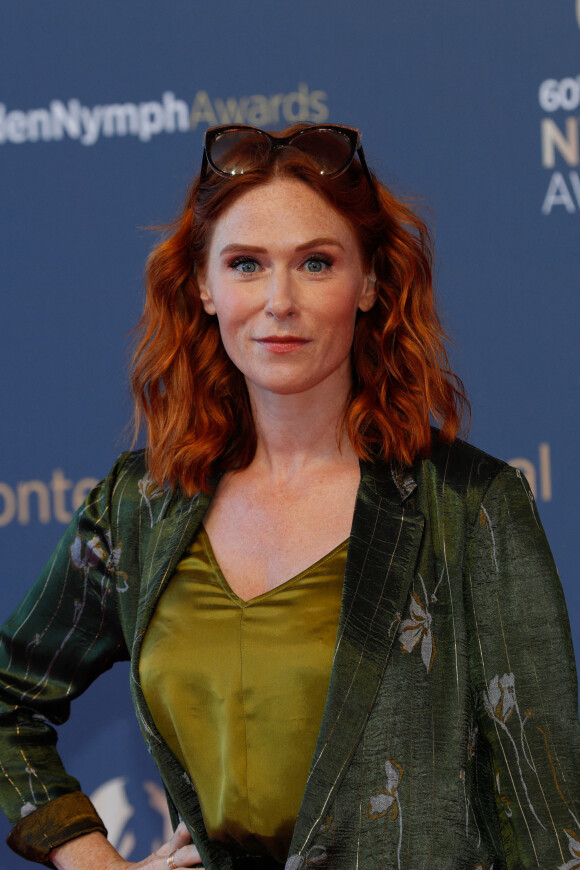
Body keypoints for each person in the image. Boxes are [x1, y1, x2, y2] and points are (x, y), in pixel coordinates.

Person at [0, 123, 578, 870]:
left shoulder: (470, 507)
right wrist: (91, 857)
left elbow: (549, 826)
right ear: (203, 286)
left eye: (315, 262)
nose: (279, 300)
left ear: (368, 282)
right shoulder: (142, 504)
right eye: (245, 264)